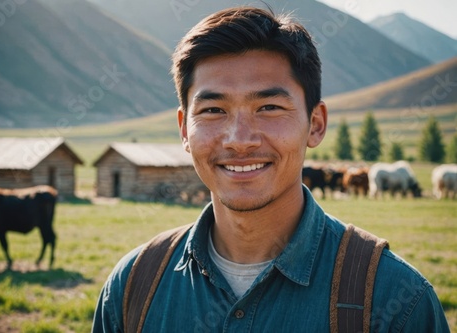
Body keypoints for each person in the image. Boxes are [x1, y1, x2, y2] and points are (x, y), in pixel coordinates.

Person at [92, 7, 450, 332]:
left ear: (315, 124)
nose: (239, 140)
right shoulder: (133, 287)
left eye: (269, 107)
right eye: (214, 110)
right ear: (185, 129)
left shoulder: (396, 302)